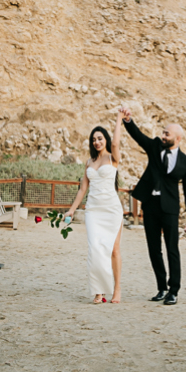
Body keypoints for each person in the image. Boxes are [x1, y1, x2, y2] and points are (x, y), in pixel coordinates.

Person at [121, 108, 186, 306]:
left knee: (172, 249)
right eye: (163, 132)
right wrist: (128, 121)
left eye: (166, 133)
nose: (162, 135)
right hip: (151, 206)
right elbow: (138, 136)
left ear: (177, 138)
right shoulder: (154, 146)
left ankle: (174, 290)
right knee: (154, 249)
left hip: (170, 209)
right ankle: (161, 287)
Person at [64, 111, 125, 303]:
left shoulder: (112, 158)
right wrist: (72, 209)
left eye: (100, 138)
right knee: (95, 249)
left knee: (114, 249)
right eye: (94, 140)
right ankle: (99, 291)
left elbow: (116, 143)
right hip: (93, 210)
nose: (97, 142)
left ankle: (117, 289)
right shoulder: (89, 162)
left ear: (105, 139)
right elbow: (83, 189)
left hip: (111, 209)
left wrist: (119, 119)